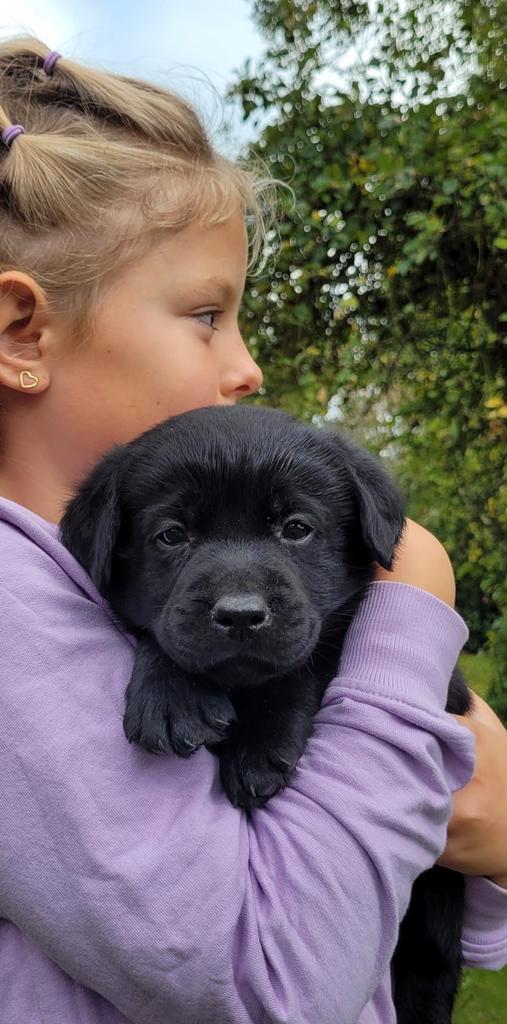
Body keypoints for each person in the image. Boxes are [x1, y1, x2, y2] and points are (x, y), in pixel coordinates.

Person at [0, 37, 505, 1024]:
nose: (249, 367)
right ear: (22, 331)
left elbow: (450, 870)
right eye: (206, 315)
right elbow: (274, 986)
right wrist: (411, 608)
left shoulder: (68, 575)